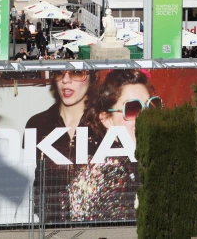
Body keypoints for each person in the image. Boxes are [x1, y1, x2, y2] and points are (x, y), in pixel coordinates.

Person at [71, 69, 161, 222]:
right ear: (107, 119)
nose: (145, 117)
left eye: (152, 105)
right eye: (133, 108)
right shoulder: (109, 172)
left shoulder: (152, 161)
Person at [24, 69, 98, 223]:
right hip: (48, 230)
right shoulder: (37, 125)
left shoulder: (103, 125)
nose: (65, 80)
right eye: (59, 72)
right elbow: (29, 185)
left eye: (77, 72)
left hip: (95, 229)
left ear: (92, 76)